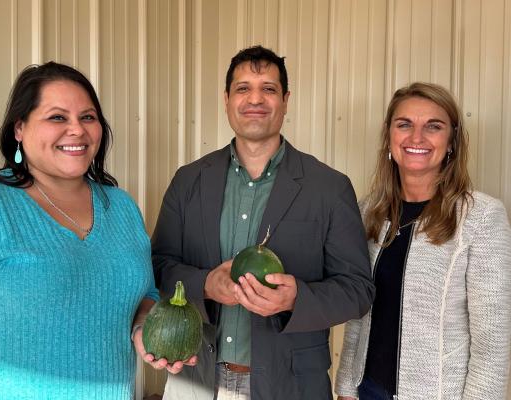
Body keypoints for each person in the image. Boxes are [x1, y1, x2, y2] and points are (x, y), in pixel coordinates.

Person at [139, 45, 375, 400]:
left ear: (285, 100)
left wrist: (298, 298)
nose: (255, 99)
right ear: (226, 99)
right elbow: (157, 268)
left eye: (268, 88)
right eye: (243, 88)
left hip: (291, 386)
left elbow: (358, 291)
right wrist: (205, 284)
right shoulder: (189, 181)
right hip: (195, 381)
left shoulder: (329, 187)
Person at [0, 62, 159, 399]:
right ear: (19, 128)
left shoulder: (121, 208)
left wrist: (145, 325)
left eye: (88, 117)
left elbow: (145, 294)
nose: (77, 130)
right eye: (57, 117)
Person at [335, 82, 511, 399]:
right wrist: (347, 387)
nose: (417, 138)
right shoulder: (368, 212)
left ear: (451, 141)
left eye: (433, 126)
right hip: (368, 390)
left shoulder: (482, 217)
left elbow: (492, 343)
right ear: (389, 136)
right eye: (405, 125)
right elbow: (359, 315)